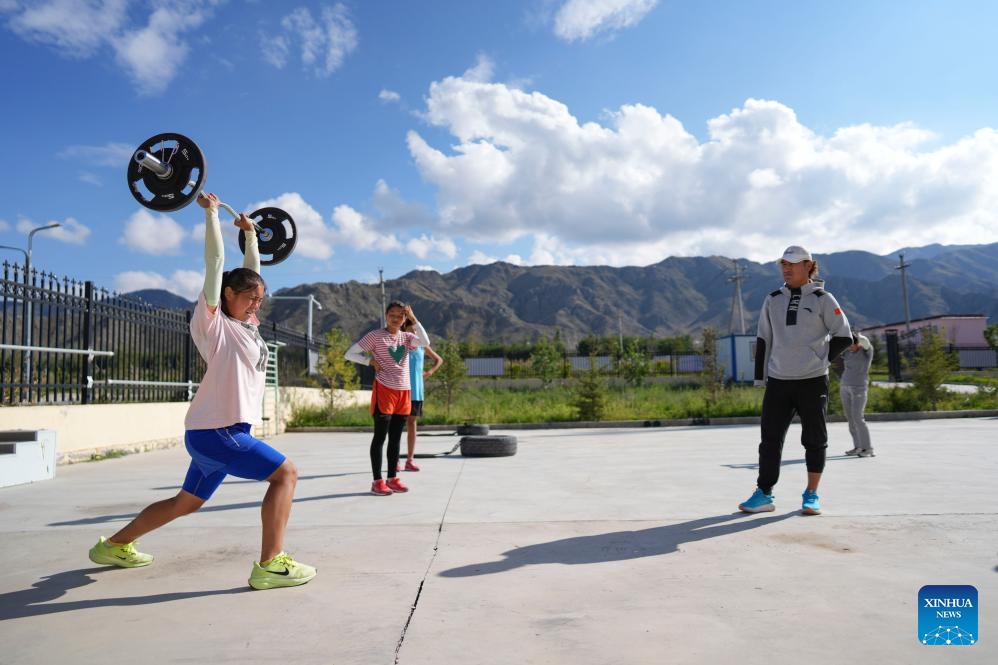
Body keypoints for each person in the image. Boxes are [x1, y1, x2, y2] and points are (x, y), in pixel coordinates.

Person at [88, 192, 316, 591]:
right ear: (226, 295)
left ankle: (114, 545)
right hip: (220, 432)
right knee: (286, 475)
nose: (255, 306)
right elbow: (216, 265)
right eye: (249, 299)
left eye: (260, 300)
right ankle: (270, 564)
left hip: (214, 434)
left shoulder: (247, 326)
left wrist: (250, 239)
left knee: (185, 503)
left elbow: (249, 274)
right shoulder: (212, 324)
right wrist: (212, 215)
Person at [739, 245, 853, 516]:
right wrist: (760, 377)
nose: (787, 268)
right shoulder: (773, 299)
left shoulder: (824, 298)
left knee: (814, 439)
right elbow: (764, 338)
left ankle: (811, 494)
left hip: (812, 381)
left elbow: (844, 335)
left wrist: (821, 359)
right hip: (779, 380)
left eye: (793, 263)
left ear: (808, 267)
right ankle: (764, 494)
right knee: (770, 440)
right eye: (783, 264)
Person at [345, 301, 430, 495]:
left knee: (395, 438)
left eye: (401, 315)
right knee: (380, 437)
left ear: (404, 319)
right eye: (392, 314)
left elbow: (425, 342)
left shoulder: (408, 338)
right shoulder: (375, 336)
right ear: (386, 315)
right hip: (384, 390)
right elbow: (350, 354)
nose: (396, 318)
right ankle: (377, 481)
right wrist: (369, 360)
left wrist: (414, 319)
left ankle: (392, 478)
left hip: (404, 392)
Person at [400, 318, 444, 471]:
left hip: (416, 391)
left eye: (414, 329)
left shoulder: (422, 346)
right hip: (400, 389)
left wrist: (429, 372)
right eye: (409, 328)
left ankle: (410, 460)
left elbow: (439, 360)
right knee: (397, 425)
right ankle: (395, 460)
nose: (412, 331)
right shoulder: (400, 344)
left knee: (412, 423)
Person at [841, 331, 875, 457]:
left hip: (859, 388)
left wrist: (857, 336)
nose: (850, 347)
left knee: (858, 417)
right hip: (845, 387)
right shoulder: (847, 352)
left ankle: (868, 449)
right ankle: (858, 447)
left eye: (852, 345)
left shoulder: (866, 352)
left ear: (858, 343)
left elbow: (867, 343)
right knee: (850, 419)